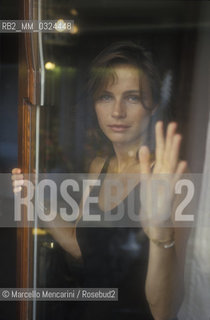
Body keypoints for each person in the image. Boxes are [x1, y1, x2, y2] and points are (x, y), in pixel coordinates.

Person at [12, 42, 188, 320]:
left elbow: (165, 311)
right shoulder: (99, 168)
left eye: (132, 97)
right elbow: (83, 249)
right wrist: (34, 198)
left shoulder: (168, 182)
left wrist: (161, 235)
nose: (117, 112)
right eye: (106, 97)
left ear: (153, 105)